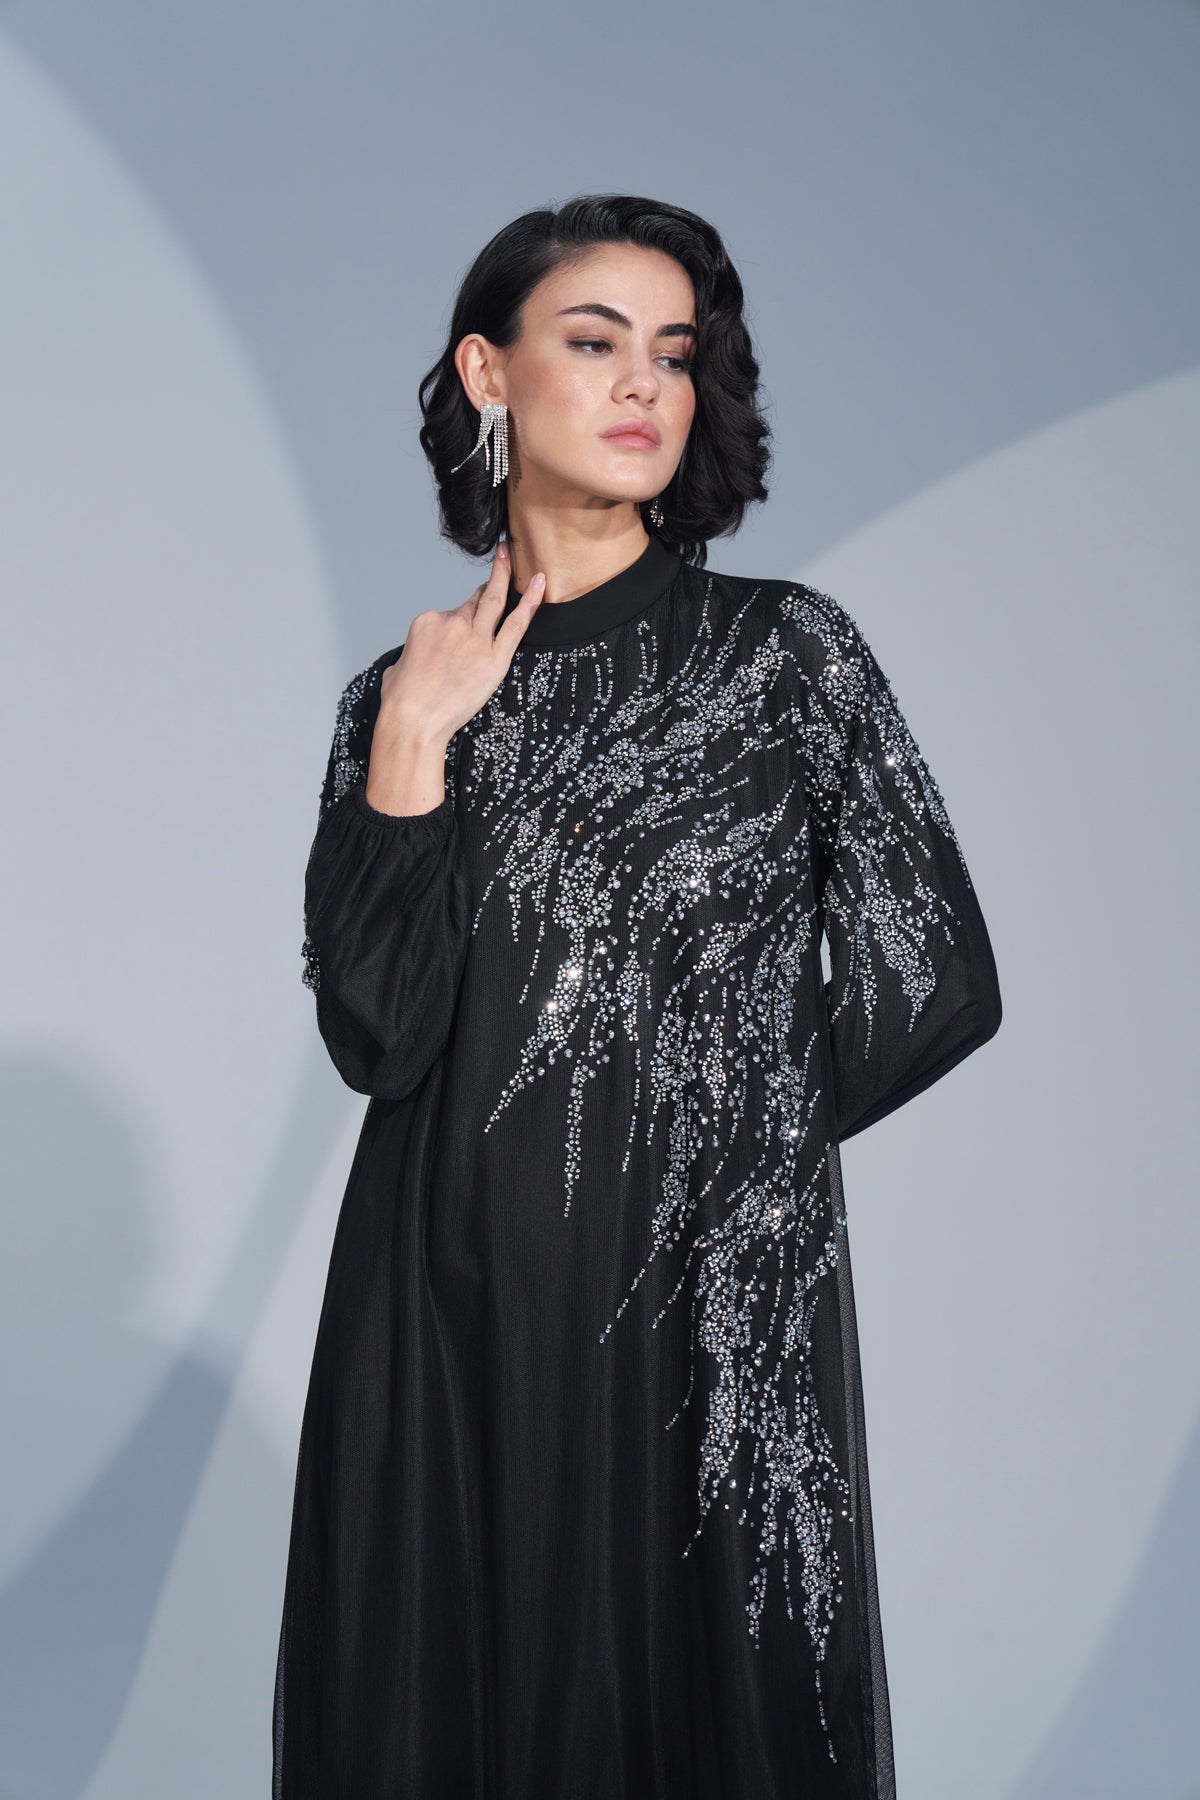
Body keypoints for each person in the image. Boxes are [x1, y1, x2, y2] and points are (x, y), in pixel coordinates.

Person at [271, 193, 1002, 1800]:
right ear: (488, 372)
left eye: (673, 354)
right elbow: (378, 1032)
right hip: (443, 1310)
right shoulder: (396, 700)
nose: (642, 387)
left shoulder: (785, 656)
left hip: (706, 1303)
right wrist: (414, 745)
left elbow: (934, 975)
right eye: (594, 342)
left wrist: (707, 1148)